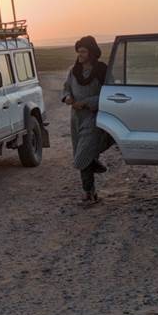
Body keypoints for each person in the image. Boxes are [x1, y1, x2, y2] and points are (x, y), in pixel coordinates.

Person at [62, 36, 109, 205]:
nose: (80, 55)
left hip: (94, 117)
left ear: (92, 52)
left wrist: (88, 103)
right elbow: (66, 88)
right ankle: (91, 192)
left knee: (83, 154)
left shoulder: (102, 70)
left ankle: (88, 189)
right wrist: (67, 97)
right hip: (76, 119)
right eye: (78, 51)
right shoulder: (74, 70)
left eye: (83, 51)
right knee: (82, 154)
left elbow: (108, 93)